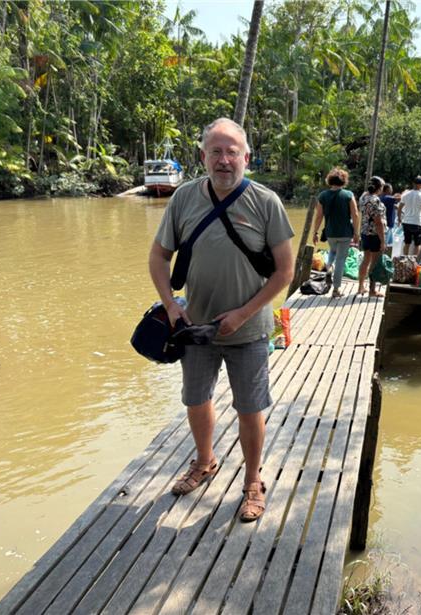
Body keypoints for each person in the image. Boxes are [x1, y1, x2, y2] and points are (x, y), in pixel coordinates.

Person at [149, 118, 295, 522]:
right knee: (196, 399)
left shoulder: (266, 202)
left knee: (250, 407)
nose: (224, 160)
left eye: (232, 152)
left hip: (249, 329)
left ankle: (252, 481)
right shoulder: (184, 198)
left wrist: (243, 313)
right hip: (195, 327)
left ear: (246, 157)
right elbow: (158, 256)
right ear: (203, 157)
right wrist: (170, 305)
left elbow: (285, 272)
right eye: (216, 151)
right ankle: (204, 461)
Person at [312, 167, 360, 298]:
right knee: (340, 259)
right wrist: (356, 233)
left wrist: (315, 232)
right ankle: (336, 289)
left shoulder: (323, 195)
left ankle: (329, 267)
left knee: (333, 252)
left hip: (330, 233)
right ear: (344, 180)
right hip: (345, 233)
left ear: (330, 180)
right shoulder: (348, 195)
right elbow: (355, 214)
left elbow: (319, 216)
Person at [357, 176, 388, 297]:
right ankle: (372, 290)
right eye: (382, 186)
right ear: (379, 188)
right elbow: (378, 222)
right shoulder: (376, 201)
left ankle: (360, 286)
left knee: (366, 260)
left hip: (365, 232)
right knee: (374, 262)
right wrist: (383, 241)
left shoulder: (363, 197)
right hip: (375, 235)